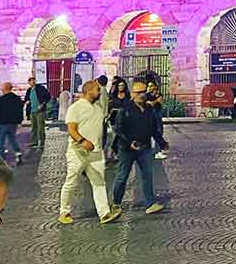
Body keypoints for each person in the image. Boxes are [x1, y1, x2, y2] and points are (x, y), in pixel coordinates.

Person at [58, 80, 122, 225]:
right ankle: (64, 212)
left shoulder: (98, 108)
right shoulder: (75, 107)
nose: (100, 92)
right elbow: (71, 129)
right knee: (71, 182)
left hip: (96, 153)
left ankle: (104, 214)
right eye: (97, 90)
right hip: (78, 152)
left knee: (99, 182)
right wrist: (82, 141)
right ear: (89, 91)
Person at [111, 80, 165, 215]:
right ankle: (116, 203)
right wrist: (129, 142)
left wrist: (162, 142)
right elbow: (119, 129)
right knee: (122, 176)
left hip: (144, 148)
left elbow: (153, 128)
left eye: (144, 92)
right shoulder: (125, 109)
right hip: (127, 150)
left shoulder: (149, 110)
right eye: (139, 92)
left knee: (147, 175)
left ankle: (150, 203)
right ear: (133, 94)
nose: (142, 95)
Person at [0, 83, 24, 166]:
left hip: (2, 122)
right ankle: (18, 152)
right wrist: (19, 121)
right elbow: (19, 111)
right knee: (12, 139)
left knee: (0, 141)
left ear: (5, 89)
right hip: (13, 123)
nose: (1, 89)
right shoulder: (17, 98)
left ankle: (1, 159)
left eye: (2, 88)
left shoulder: (1, 99)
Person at [144, 79, 170, 160]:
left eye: (151, 86)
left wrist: (157, 98)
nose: (150, 87)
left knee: (159, 132)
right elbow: (150, 104)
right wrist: (155, 101)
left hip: (158, 115)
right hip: (150, 116)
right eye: (148, 86)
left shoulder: (158, 94)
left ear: (155, 86)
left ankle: (158, 150)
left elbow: (161, 101)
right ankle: (153, 151)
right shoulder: (147, 95)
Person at [23, 77, 51, 149]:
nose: (32, 82)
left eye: (33, 80)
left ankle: (41, 142)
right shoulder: (29, 90)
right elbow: (26, 98)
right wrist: (27, 101)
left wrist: (43, 104)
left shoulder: (40, 88)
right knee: (33, 127)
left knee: (40, 127)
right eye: (30, 81)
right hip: (32, 111)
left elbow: (48, 96)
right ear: (28, 83)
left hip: (40, 111)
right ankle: (34, 142)